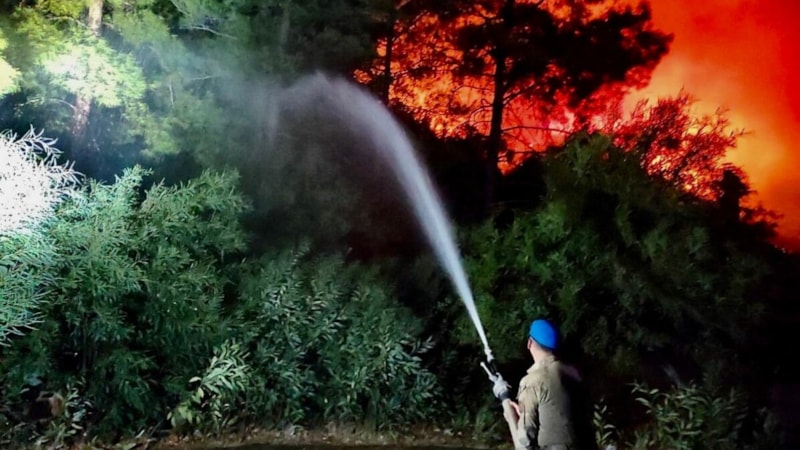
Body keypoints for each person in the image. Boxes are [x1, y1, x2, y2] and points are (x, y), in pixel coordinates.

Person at [490, 318, 597, 450]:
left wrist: (505, 401)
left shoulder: (532, 381)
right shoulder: (574, 373)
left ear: (529, 343)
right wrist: (523, 412)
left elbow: (524, 441)